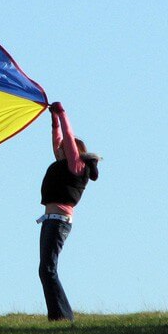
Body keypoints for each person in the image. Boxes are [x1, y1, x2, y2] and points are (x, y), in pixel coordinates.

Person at [37, 102, 100, 321]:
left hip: (58, 221)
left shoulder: (76, 167)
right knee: (45, 270)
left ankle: (63, 317)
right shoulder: (63, 164)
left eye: (66, 147)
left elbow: (67, 136)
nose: (60, 148)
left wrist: (62, 114)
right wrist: (53, 120)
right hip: (50, 220)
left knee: (48, 269)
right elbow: (57, 141)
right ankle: (58, 316)